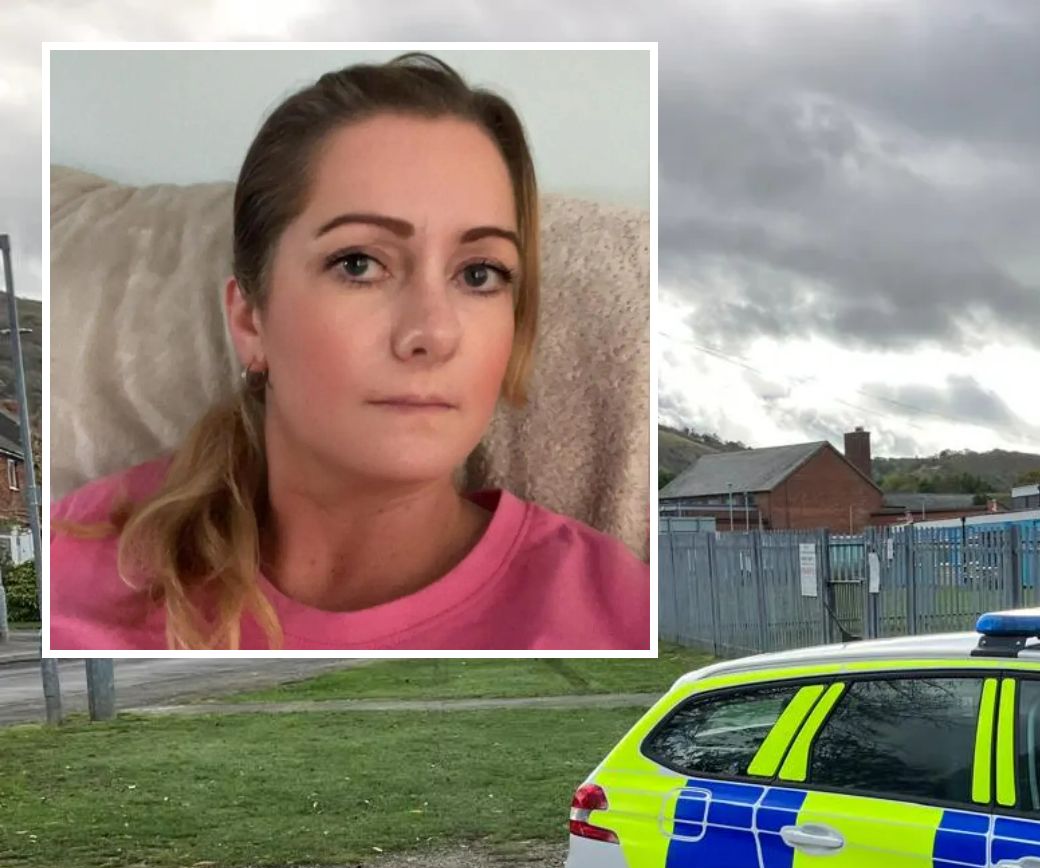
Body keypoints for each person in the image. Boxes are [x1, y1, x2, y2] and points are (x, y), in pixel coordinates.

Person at [50, 53, 652, 651]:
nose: (433, 333)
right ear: (250, 320)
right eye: (359, 264)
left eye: (479, 275)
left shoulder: (614, 610)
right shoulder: (80, 561)